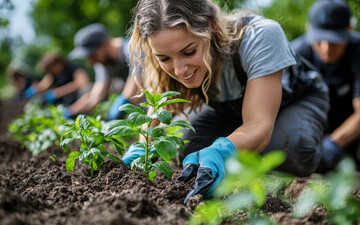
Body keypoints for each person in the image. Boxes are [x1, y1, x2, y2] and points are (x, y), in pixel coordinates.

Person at [122, 0, 329, 204]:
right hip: (232, 110)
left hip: (295, 99)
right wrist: (144, 148)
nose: (179, 70)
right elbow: (159, 106)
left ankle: (326, 149)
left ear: (210, 27)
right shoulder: (164, 50)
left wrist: (221, 151)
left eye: (189, 52)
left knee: (292, 152)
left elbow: (259, 123)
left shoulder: (261, 36)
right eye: (165, 59)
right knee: (187, 147)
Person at [292, 0, 360, 171]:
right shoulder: (297, 53)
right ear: (308, 30)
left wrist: (331, 144)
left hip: (352, 132)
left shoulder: (358, 50)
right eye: (319, 40)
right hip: (312, 128)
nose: (326, 48)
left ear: (349, 30)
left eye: (334, 41)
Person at [67, 23, 142, 120]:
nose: (90, 62)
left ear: (105, 43)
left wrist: (116, 111)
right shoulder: (103, 64)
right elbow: (95, 96)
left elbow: (135, 87)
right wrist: (71, 112)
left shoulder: (132, 50)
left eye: (92, 55)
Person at [24, 52, 91, 106]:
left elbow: (82, 83)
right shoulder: (52, 74)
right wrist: (35, 89)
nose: (49, 71)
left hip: (76, 98)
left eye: (50, 69)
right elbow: (43, 85)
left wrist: (57, 93)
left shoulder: (72, 67)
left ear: (58, 63)